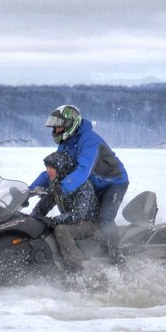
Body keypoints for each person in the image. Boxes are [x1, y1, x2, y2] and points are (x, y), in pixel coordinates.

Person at [28, 104, 129, 254]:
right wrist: (29, 190)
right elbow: (53, 170)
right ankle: (92, 249)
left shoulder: (90, 141)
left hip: (113, 183)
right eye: (54, 128)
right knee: (90, 218)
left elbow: (84, 170)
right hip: (92, 183)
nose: (54, 131)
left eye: (58, 127)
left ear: (70, 125)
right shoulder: (67, 143)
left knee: (104, 220)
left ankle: (118, 256)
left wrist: (63, 188)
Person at [31, 150, 99, 271]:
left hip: (89, 223)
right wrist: (32, 217)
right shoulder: (56, 183)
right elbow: (46, 202)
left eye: (51, 168)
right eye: (47, 167)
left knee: (61, 229)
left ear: (61, 168)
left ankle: (76, 270)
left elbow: (79, 214)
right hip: (73, 221)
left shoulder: (81, 184)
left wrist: (56, 220)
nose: (48, 171)